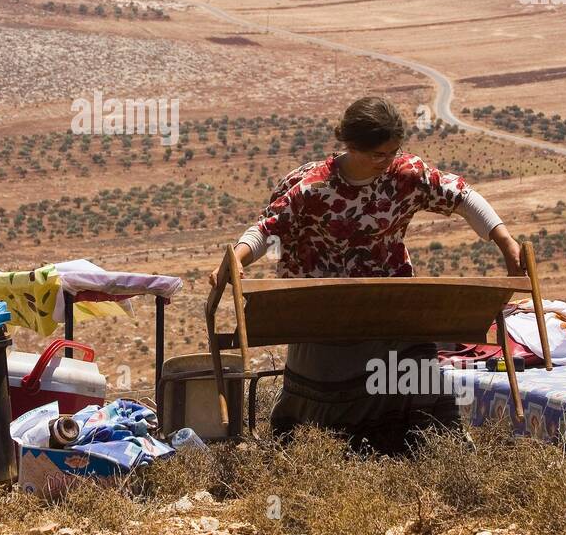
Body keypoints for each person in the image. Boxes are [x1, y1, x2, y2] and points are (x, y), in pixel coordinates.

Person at [210, 96, 522, 454]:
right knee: (331, 388)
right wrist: (236, 259)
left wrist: (505, 241)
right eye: (378, 155)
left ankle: (437, 448)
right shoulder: (311, 187)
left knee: (419, 364)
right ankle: (325, 451)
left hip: (389, 302)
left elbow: (462, 196)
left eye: (393, 152)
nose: (387, 162)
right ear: (351, 145)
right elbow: (266, 230)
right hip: (325, 311)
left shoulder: (407, 174)